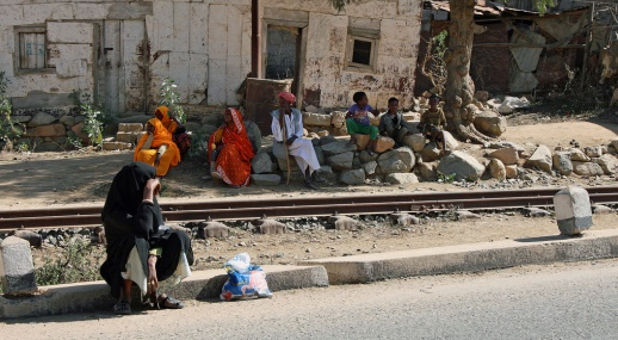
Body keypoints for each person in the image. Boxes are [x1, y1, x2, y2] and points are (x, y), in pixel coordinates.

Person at [100, 162, 193, 314]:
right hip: (122, 265)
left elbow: (157, 234)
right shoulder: (114, 212)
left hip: (147, 257)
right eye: (146, 182)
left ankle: (158, 293)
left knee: (177, 237)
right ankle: (125, 297)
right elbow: (142, 229)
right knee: (135, 241)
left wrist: (152, 260)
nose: (150, 186)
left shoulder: (149, 205)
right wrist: (148, 195)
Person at [271, 92, 320, 190]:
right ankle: (314, 171)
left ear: (289, 103)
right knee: (307, 144)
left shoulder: (297, 113)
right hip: (283, 144)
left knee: (304, 150)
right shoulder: (276, 115)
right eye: (280, 101)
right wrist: (281, 119)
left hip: (295, 142)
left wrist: (293, 138)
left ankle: (307, 178)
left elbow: (300, 130)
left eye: (283, 101)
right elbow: (278, 136)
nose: (281, 103)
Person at [208, 108, 255, 187]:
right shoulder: (224, 127)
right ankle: (219, 172)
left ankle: (231, 179)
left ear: (233, 116)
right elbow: (215, 139)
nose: (225, 117)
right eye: (225, 115)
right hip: (226, 147)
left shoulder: (239, 129)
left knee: (229, 149)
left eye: (228, 115)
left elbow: (241, 142)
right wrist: (220, 129)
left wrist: (229, 144)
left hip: (240, 150)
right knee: (225, 149)